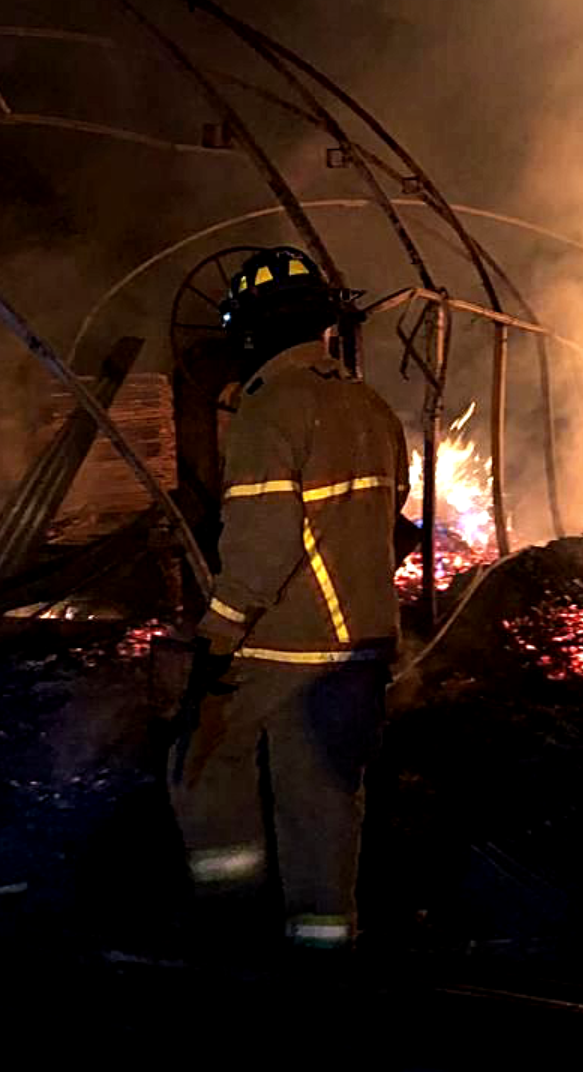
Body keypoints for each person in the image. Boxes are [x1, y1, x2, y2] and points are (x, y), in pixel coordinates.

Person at [170, 246, 407, 958]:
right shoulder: (371, 407)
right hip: (365, 645)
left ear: (250, 331)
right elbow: (392, 514)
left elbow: (261, 544)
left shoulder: (269, 409)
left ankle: (229, 920)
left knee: (202, 758)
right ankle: (323, 944)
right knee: (324, 795)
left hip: (288, 645)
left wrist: (217, 635)